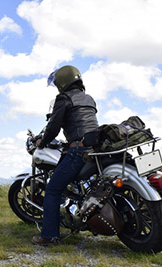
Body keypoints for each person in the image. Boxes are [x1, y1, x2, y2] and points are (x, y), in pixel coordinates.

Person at [32, 65, 99, 246]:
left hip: (78, 151)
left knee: (53, 190)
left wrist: (42, 142)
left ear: (62, 82)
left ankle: (49, 236)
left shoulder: (64, 98)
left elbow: (53, 127)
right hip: (95, 149)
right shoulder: (89, 99)